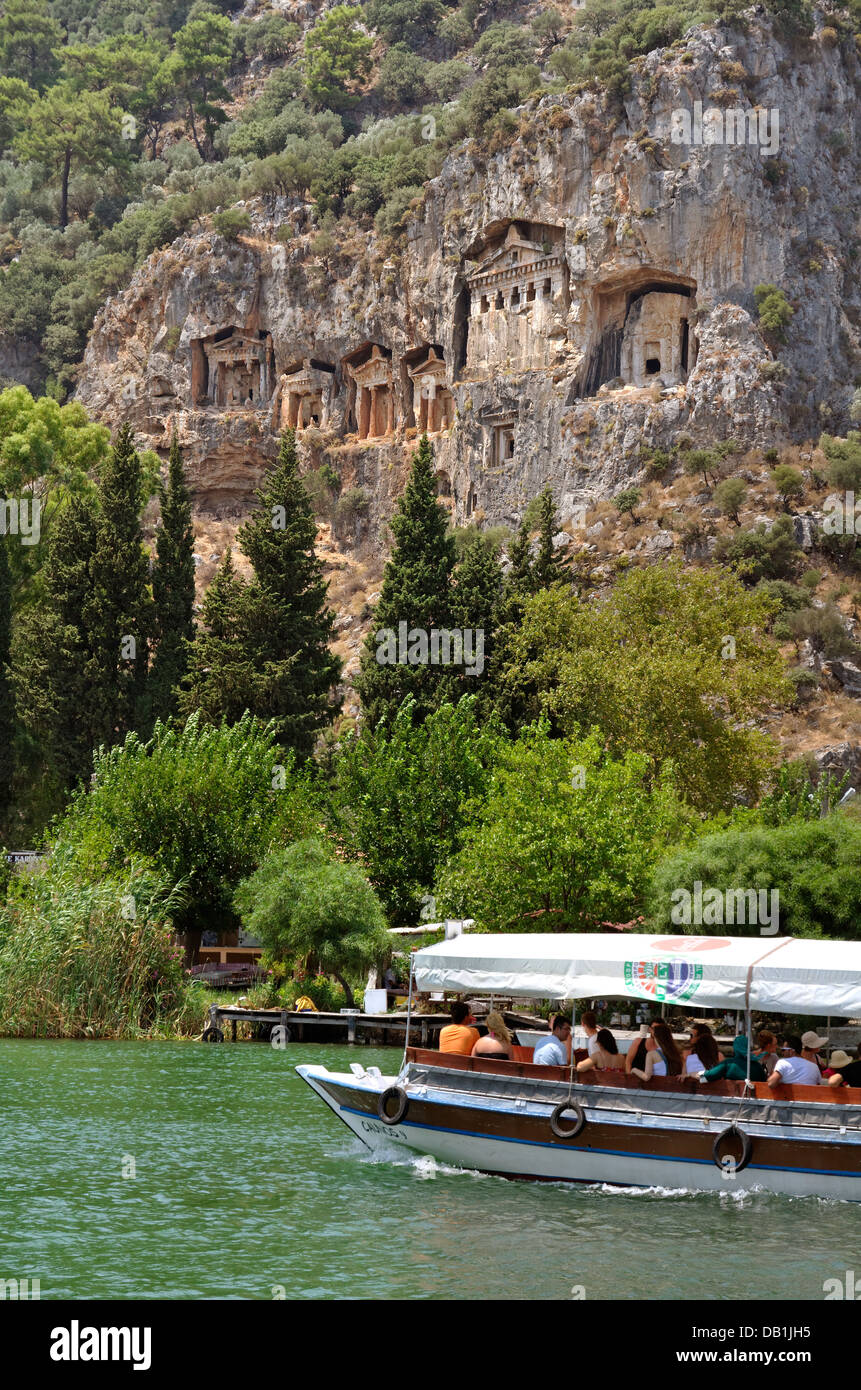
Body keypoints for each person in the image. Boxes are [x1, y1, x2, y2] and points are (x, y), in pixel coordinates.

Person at [699, 1034, 767, 1083]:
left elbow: (708, 1076)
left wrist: (695, 1074)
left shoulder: (729, 1063)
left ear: (735, 1048)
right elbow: (764, 1082)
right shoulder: (758, 1066)